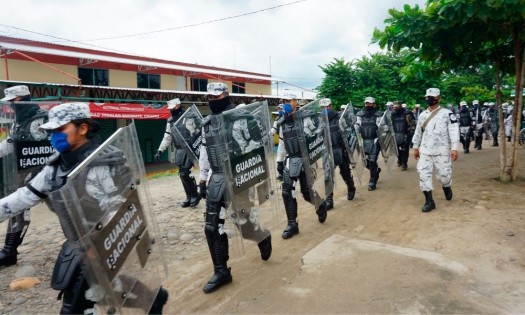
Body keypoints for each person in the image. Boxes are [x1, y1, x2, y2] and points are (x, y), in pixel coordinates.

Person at [0, 103, 168, 314]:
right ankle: (154, 299)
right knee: (101, 289)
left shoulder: (106, 160)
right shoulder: (56, 167)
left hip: (107, 243)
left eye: (60, 130)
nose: (54, 137)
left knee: (76, 306)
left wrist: (104, 241)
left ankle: (153, 299)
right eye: (51, 132)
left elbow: (122, 207)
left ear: (82, 128)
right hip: (79, 245)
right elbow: (25, 196)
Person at [198, 82, 272, 293]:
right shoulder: (207, 123)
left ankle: (262, 235)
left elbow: (260, 144)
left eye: (217, 97)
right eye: (210, 98)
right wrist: (203, 179)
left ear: (226, 96)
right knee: (211, 227)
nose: (213, 101)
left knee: (243, 223)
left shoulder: (242, 117)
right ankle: (221, 271)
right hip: (217, 178)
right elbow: (205, 152)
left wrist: (251, 169)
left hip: (240, 175)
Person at [0, 85, 51, 267]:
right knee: (18, 209)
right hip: (24, 172)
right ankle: (9, 251)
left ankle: (83, 247)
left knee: (63, 208)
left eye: (13, 102)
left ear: (22, 99)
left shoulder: (41, 118)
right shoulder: (18, 120)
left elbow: (39, 144)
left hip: (46, 172)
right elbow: (12, 142)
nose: (11, 106)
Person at [276, 94, 328, 239]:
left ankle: (320, 204)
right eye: (283, 101)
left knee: (306, 193)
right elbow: (281, 143)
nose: (285, 103)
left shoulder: (305, 118)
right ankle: (292, 224)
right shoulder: (282, 122)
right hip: (290, 159)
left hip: (304, 160)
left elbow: (317, 134)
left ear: (295, 103)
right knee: (287, 192)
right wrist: (279, 162)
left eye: (288, 101)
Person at [412, 88, 459, 213]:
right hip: (425, 150)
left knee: (444, 175)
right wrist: (415, 147)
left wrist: (454, 148)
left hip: (442, 151)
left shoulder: (447, 114)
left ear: (439, 98)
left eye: (432, 97)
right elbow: (418, 132)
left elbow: (454, 131)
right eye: (428, 97)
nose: (429, 99)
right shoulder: (422, 115)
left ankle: (446, 186)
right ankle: (429, 201)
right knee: (423, 175)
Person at [154, 98, 201, 208]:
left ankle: (195, 194)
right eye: (170, 108)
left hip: (190, 147)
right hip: (179, 149)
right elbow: (167, 137)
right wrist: (160, 150)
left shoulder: (189, 116)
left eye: (173, 107)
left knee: (185, 173)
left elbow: (199, 130)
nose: (172, 110)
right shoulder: (170, 121)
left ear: (178, 105)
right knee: (181, 174)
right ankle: (189, 196)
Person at [319, 98, 356, 210]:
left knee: (345, 172)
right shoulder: (319, 120)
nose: (325, 109)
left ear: (331, 106)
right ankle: (329, 200)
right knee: (327, 176)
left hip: (340, 149)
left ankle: (351, 188)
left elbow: (348, 131)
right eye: (323, 108)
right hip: (327, 151)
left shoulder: (340, 117)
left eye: (327, 107)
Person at [355, 97, 383, 191]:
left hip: (374, 140)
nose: (368, 105)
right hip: (363, 140)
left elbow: (382, 128)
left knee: (372, 161)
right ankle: (376, 171)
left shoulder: (378, 115)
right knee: (365, 162)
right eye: (366, 103)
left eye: (370, 103)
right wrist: (358, 139)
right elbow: (357, 128)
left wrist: (382, 133)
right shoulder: (360, 115)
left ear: (374, 104)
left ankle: (372, 181)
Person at [391, 101, 416, 171]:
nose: (396, 108)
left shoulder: (407, 113)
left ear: (400, 106)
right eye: (394, 107)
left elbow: (413, 123)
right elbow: (389, 124)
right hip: (395, 134)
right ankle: (399, 159)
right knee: (396, 149)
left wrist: (411, 132)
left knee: (405, 150)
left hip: (405, 133)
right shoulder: (392, 114)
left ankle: (404, 163)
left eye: (397, 106)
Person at [270, 103, 286, 181]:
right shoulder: (277, 121)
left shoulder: (289, 117)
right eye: (278, 109)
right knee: (279, 158)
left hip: (290, 140)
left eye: (281, 109)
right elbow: (273, 131)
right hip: (282, 141)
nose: (279, 110)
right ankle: (281, 174)